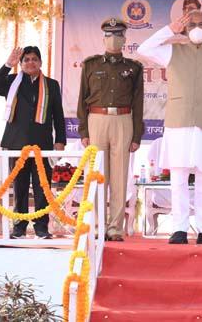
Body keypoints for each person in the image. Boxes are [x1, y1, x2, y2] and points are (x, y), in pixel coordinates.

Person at [138, 10, 202, 245]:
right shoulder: (172, 51)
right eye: (192, 24)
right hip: (178, 123)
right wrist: (170, 30)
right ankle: (179, 229)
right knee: (178, 178)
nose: (198, 27)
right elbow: (143, 49)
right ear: (185, 28)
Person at [0, 46, 66, 239]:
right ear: (21, 64)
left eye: (34, 59)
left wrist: (60, 141)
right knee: (20, 186)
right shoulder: (12, 81)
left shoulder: (51, 85)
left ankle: (41, 227)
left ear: (40, 62)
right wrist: (8, 65)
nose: (30, 62)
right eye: (26, 60)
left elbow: (58, 115)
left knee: (42, 186)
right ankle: (19, 226)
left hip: (42, 143)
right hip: (16, 143)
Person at [77, 17, 144, 242]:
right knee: (97, 175)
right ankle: (97, 225)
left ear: (125, 39)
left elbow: (138, 102)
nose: (113, 39)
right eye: (109, 35)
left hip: (124, 119)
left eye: (118, 35)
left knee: (119, 176)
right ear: (103, 38)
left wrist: (136, 135)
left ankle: (115, 227)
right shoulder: (90, 64)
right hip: (97, 118)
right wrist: (84, 131)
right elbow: (81, 100)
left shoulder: (133, 68)